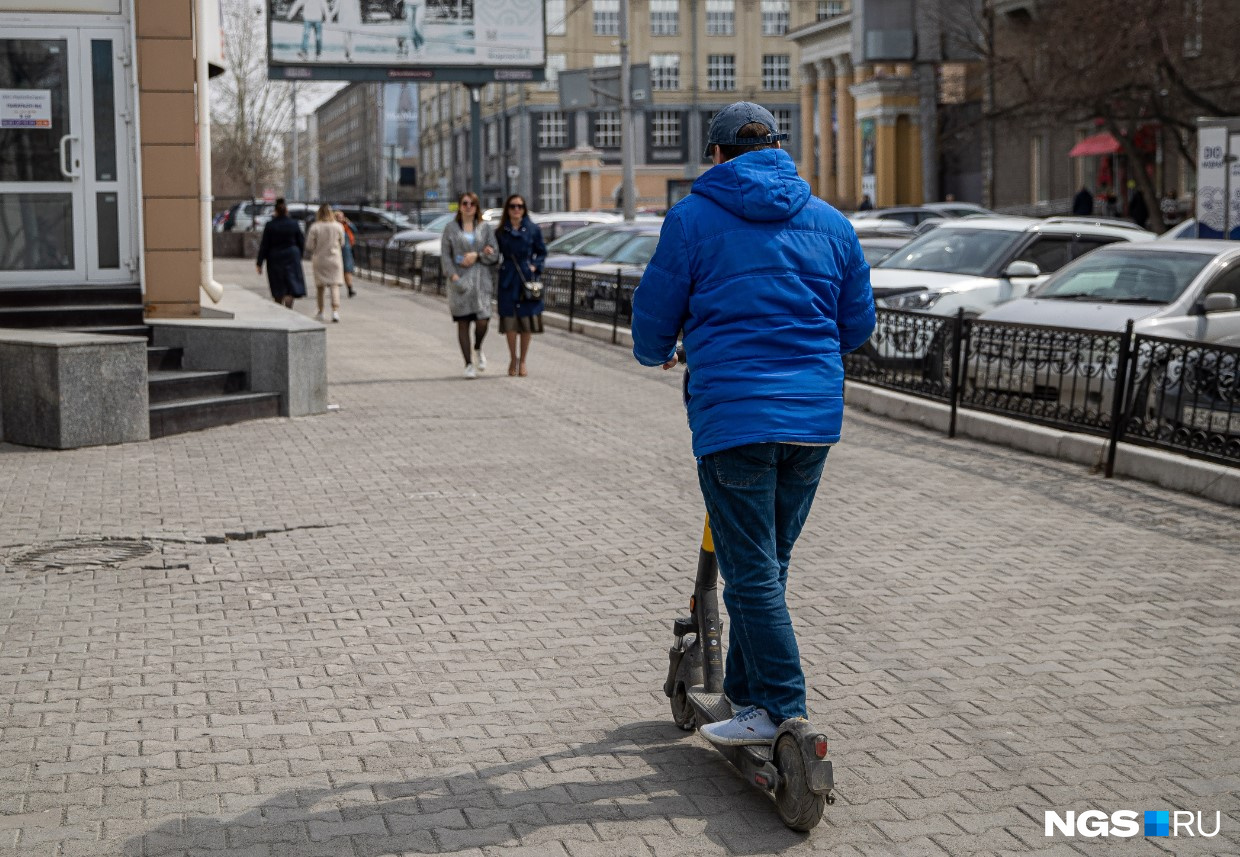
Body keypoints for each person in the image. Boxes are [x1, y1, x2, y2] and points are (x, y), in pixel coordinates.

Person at [630, 102, 875, 746]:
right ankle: (744, 696)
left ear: (715, 154)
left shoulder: (691, 220)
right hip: (812, 421)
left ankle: (782, 708)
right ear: (777, 148)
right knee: (766, 565)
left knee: (752, 570)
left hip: (736, 416)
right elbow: (857, 326)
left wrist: (659, 350)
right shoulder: (831, 222)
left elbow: (655, 315)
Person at [441, 192, 499, 379]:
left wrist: (478, 255)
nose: (468, 207)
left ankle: (478, 348)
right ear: (459, 206)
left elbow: (494, 254)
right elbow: (445, 255)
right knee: (463, 321)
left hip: (481, 280)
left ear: (477, 207)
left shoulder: (484, 228)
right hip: (460, 281)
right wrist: (453, 276)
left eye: (472, 203)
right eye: (465, 203)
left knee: (483, 320)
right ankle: (468, 364)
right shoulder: (451, 228)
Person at [495, 194, 546, 377]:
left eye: (520, 206)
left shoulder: (532, 229)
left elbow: (541, 251)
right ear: (507, 209)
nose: (516, 210)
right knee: (509, 321)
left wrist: (536, 266)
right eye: (513, 206)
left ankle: (523, 360)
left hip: (526, 279)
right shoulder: (501, 231)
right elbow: (495, 252)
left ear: (524, 209)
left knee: (526, 322)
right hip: (508, 278)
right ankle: (512, 358)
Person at [256, 198, 306, 308]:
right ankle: (289, 307)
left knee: (278, 284)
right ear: (286, 210)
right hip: (292, 256)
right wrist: (299, 255)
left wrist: (259, 263)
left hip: (275, 258)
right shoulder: (294, 224)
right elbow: (301, 241)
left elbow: (265, 245)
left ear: (276, 211)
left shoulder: (270, 225)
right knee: (290, 284)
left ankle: (278, 307)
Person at [306, 203, 346, 322]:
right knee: (334, 285)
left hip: (320, 259)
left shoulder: (315, 227)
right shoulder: (338, 226)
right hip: (334, 259)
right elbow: (342, 243)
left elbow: (309, 245)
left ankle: (321, 311)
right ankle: (335, 311)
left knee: (320, 287)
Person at [335, 211, 357, 297]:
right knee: (338, 270)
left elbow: (355, 230)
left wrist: (349, 223)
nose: (341, 218)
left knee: (348, 270)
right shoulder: (335, 227)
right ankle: (335, 288)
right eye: (339, 217)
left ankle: (350, 288)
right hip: (338, 250)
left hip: (347, 250)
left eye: (342, 217)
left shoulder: (346, 225)